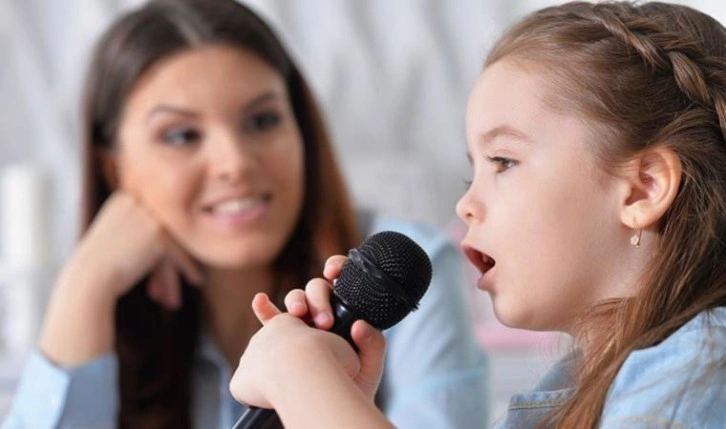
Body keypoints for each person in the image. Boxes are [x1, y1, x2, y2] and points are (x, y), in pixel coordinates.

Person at [228, 1, 726, 428]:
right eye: (472, 175)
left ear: (644, 188)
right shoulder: (569, 394)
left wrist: (303, 381)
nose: (465, 205)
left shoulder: (704, 369)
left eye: (504, 162)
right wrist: (340, 405)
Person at [1, 0, 488, 428]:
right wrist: (85, 284)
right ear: (115, 167)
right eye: (181, 135)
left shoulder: (399, 273)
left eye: (262, 120)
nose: (235, 162)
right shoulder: (101, 314)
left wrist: (308, 385)